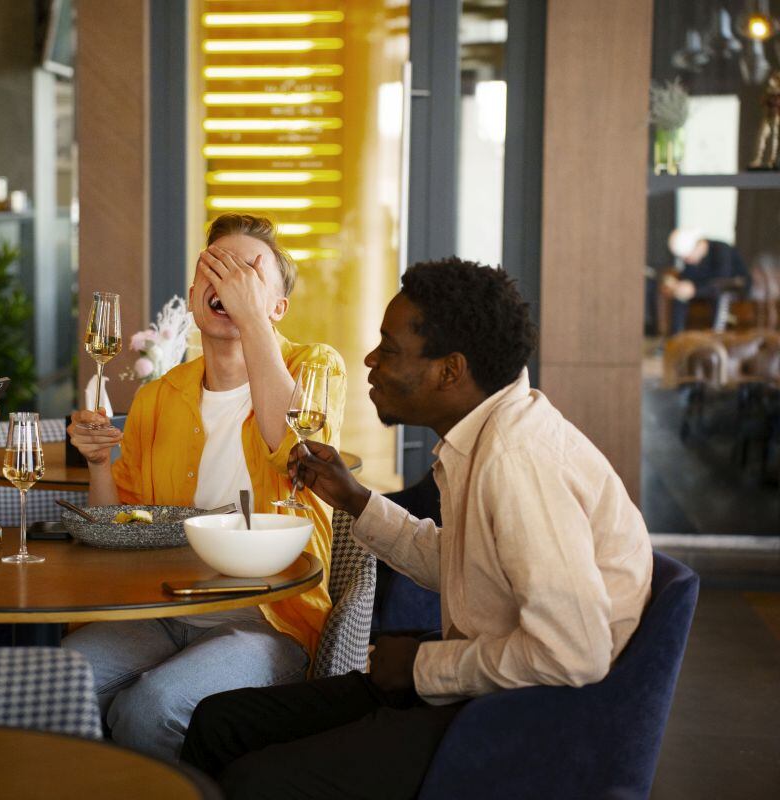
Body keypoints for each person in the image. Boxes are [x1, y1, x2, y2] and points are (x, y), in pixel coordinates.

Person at [181, 258, 654, 799]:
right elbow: (460, 563)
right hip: (483, 690)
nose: (370, 359)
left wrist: (423, 667)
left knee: (256, 779)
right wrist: (356, 501)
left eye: (389, 348)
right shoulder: (488, 435)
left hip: (514, 722)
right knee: (220, 722)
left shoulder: (517, 461)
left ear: (449, 371)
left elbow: (573, 652)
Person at [64, 213, 347, 761]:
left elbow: (292, 445)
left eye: (248, 274)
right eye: (214, 270)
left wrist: (252, 320)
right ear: (195, 295)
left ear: (278, 308)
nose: (229, 282)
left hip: (269, 619)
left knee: (150, 709)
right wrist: (100, 463)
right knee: (56, 683)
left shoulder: (314, 369)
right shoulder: (157, 396)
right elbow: (116, 529)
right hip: (160, 609)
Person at [662, 228, 751, 333]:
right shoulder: (692, 261)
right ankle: (675, 337)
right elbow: (688, 279)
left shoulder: (721, 250)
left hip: (734, 287)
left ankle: (717, 336)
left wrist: (694, 290)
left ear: (700, 244)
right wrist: (678, 287)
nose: (688, 260)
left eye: (688, 256)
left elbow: (722, 280)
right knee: (681, 294)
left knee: (720, 292)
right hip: (709, 289)